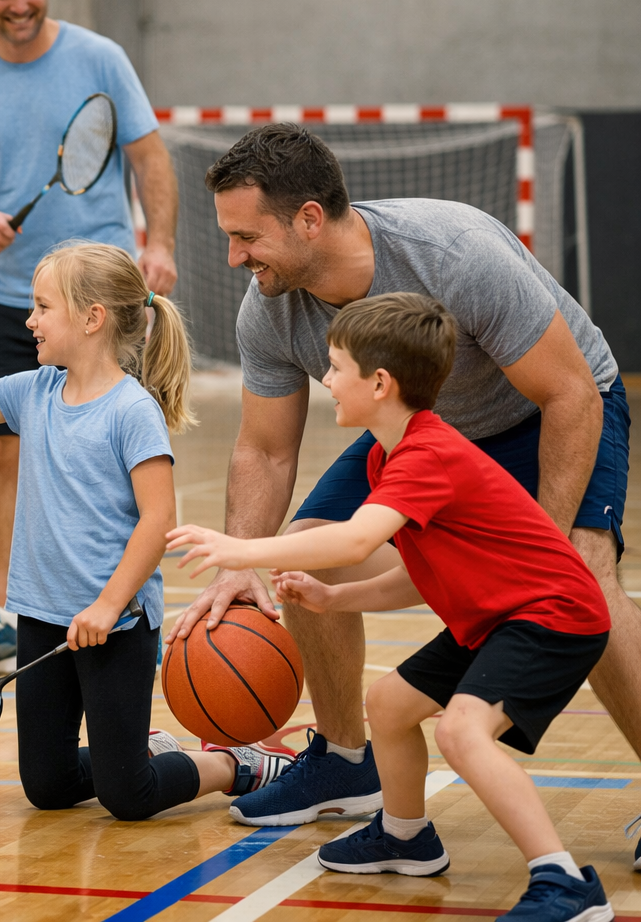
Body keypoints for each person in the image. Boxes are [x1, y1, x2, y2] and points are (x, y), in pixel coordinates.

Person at [173, 124, 640, 861]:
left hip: (551, 409)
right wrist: (240, 564)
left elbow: (569, 394)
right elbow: (265, 448)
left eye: (247, 237)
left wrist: (538, 552)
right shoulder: (268, 308)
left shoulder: (453, 254)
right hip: (421, 430)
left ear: (308, 219)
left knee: (581, 577)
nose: (234, 257)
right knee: (305, 552)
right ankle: (345, 761)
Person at [169, 293, 614, 922]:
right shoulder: (388, 454)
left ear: (379, 384)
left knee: (461, 732)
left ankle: (564, 884)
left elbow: (355, 540)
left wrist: (240, 548)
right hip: (501, 616)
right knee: (389, 704)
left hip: (553, 615)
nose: (326, 380)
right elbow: (418, 573)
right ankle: (406, 838)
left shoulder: (427, 454)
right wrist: (335, 596)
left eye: (335, 368)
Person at [0, 240, 292, 818]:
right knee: (48, 787)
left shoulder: (131, 410)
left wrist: (107, 605)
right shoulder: (34, 392)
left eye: (43, 307)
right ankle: (140, 750)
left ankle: (234, 764)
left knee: (128, 797)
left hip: (117, 623)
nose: (29, 320)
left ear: (92, 318)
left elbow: (158, 521)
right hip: (43, 615)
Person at [0, 0, 179, 669]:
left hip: (97, 296)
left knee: (115, 452)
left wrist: (159, 243)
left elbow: (149, 159)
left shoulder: (101, 57)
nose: (20, 4)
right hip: (1, 291)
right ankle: (9, 614)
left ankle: (123, 602)